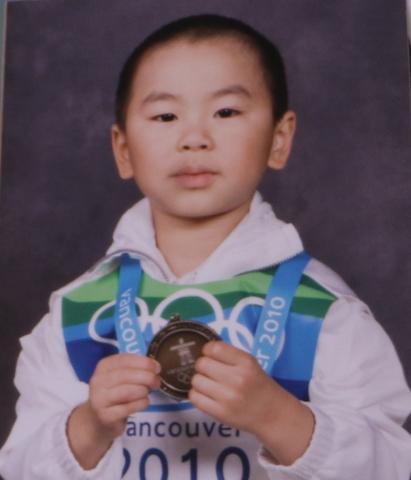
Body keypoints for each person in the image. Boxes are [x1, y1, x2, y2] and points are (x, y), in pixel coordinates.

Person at [0, 13, 410, 480]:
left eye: (226, 112)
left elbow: (394, 466)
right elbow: (19, 468)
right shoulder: (78, 313)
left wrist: (277, 417)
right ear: (124, 150)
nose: (194, 139)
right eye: (165, 116)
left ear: (280, 138)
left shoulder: (321, 312)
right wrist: (89, 427)